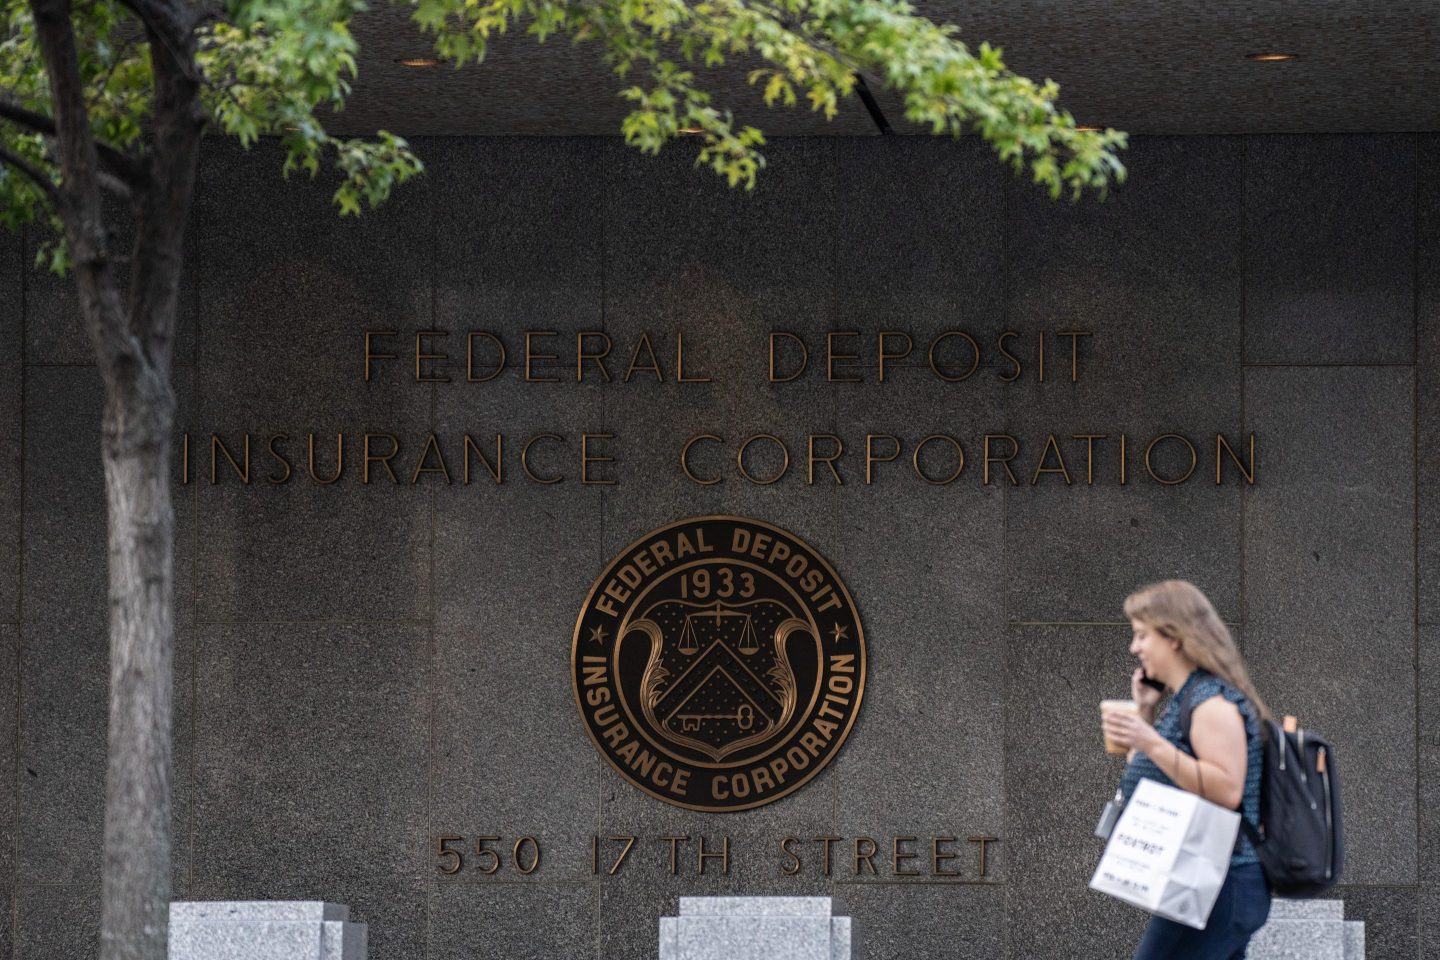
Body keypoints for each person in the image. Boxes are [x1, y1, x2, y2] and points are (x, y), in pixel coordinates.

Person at [1101, 580, 1272, 960]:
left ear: (1174, 638)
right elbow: (1146, 775)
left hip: (1220, 882)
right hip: (1209, 880)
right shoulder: (1187, 699)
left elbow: (1227, 789)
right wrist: (1145, 709)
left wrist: (1151, 741)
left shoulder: (1211, 703)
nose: (1134, 647)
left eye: (1142, 635)